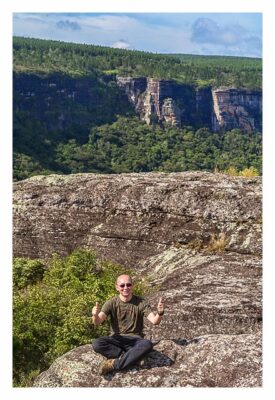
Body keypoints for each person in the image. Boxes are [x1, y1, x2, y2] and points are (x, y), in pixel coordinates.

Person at [91, 274, 165, 375]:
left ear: (132, 286)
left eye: (128, 285)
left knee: (146, 344)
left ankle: (114, 364)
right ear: (117, 287)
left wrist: (160, 313)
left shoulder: (141, 302)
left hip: (135, 340)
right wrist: (95, 315)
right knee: (97, 343)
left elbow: (155, 321)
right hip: (116, 339)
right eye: (122, 285)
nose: (125, 288)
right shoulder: (111, 303)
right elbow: (97, 322)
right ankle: (132, 357)